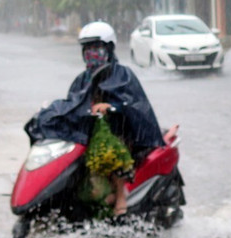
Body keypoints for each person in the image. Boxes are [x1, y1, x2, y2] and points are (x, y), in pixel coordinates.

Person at [25, 21, 175, 216]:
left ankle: (121, 195)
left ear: (108, 48)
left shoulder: (122, 75)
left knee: (112, 148)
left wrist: (112, 108)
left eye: (96, 47)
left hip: (120, 131)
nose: (91, 53)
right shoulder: (83, 78)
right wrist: (52, 112)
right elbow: (73, 102)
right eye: (87, 48)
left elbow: (135, 106)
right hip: (89, 131)